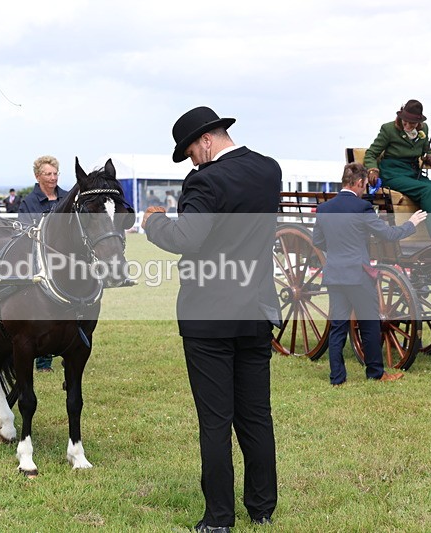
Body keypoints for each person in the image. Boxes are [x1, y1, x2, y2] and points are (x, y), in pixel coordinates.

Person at [141, 106, 281, 531]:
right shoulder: (268, 170)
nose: (191, 161)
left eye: (190, 152)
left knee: (216, 421)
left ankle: (219, 517)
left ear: (206, 139)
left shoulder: (205, 180)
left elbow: (189, 239)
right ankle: (261, 507)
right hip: (256, 308)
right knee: (256, 415)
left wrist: (155, 223)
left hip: (209, 316)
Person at [313, 163, 426, 386]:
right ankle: (375, 372)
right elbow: (388, 234)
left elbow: (318, 241)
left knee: (337, 328)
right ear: (357, 183)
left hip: (335, 274)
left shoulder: (325, 209)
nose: (365, 189)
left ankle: (337, 378)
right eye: (364, 185)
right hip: (358, 275)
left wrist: (338, 252)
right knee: (370, 325)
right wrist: (411, 224)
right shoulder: (362, 207)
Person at [19, 155, 69, 372]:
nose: (53, 178)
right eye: (48, 174)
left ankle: (70, 349)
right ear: (37, 176)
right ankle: (43, 361)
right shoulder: (28, 203)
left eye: (55, 173)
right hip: (39, 262)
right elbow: (23, 232)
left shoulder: (67, 198)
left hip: (67, 261)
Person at [364, 99, 431, 240]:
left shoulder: (424, 129)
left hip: (412, 172)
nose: (407, 125)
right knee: (430, 190)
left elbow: (426, 149)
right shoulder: (388, 129)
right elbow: (371, 153)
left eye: (411, 123)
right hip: (392, 173)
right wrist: (373, 170)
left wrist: (428, 157)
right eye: (405, 121)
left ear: (418, 122)